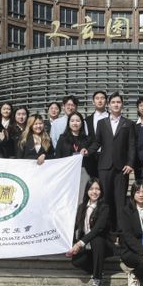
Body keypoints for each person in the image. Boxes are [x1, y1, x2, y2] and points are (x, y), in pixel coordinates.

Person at [86, 92, 135, 233]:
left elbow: (131, 145)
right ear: (109, 105)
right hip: (104, 167)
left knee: (120, 200)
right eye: (113, 102)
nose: (116, 104)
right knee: (105, 199)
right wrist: (87, 151)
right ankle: (105, 229)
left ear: (122, 105)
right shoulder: (102, 123)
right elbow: (97, 143)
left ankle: (120, 232)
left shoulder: (128, 123)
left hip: (122, 168)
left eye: (118, 102)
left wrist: (130, 163)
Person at [66, 178, 115, 286]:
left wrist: (79, 244)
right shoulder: (82, 207)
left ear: (101, 191)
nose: (94, 192)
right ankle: (97, 269)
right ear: (87, 191)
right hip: (87, 246)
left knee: (97, 238)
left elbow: (98, 229)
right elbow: (74, 226)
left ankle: (97, 279)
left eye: (97, 189)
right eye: (91, 189)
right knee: (76, 261)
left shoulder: (104, 207)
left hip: (103, 245)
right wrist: (69, 243)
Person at [55, 112, 91, 196]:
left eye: (78, 121)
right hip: (67, 171)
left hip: (82, 171)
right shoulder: (62, 138)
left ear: (82, 123)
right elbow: (58, 156)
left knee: (81, 195)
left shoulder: (87, 139)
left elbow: (90, 157)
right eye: (72, 121)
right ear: (68, 123)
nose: (75, 123)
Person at [84, 91, 109, 178]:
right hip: (92, 158)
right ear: (93, 102)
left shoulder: (112, 118)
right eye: (97, 98)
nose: (100, 100)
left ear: (106, 101)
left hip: (109, 157)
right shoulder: (87, 120)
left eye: (102, 98)